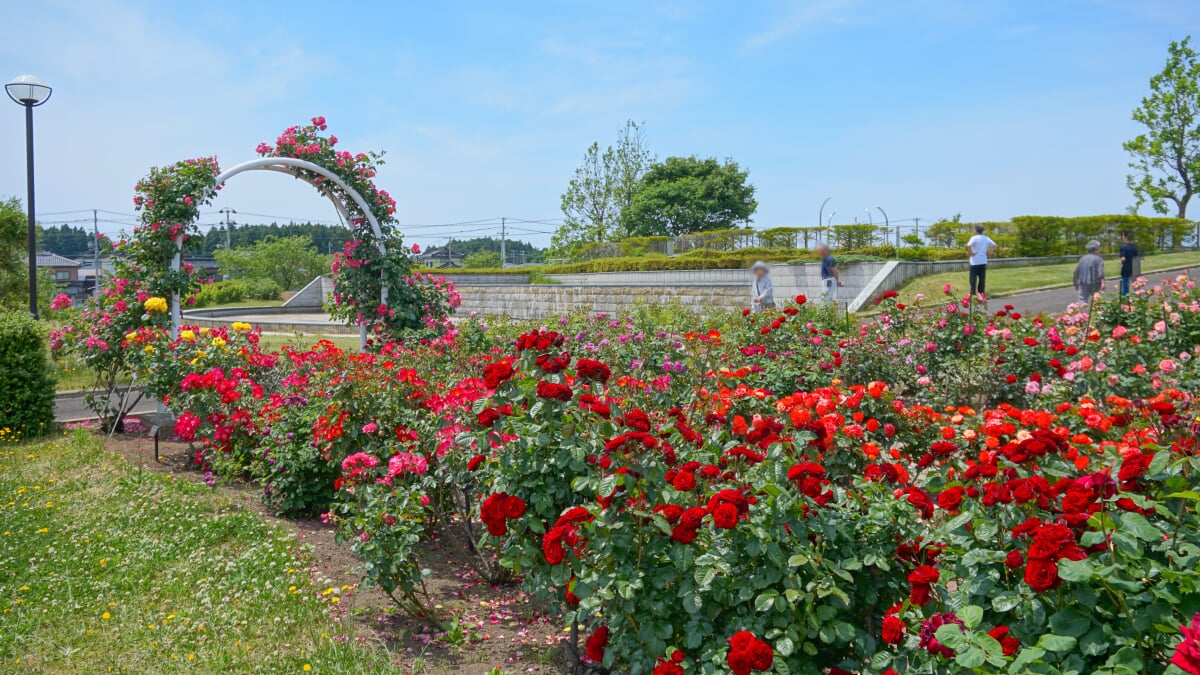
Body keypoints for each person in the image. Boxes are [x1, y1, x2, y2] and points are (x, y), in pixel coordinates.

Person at [966, 225, 997, 298]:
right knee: (982, 279)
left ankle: (972, 292)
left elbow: (968, 246)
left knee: (973, 278)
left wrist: (971, 253)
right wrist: (989, 253)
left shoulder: (974, 238)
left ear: (976, 231)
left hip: (974, 261)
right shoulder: (986, 238)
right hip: (983, 261)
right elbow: (994, 246)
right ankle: (981, 293)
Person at [1073, 240, 1106, 304]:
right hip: (1095, 283)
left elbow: (1076, 271)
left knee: (1082, 300)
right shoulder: (1099, 259)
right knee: (1097, 300)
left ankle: (1081, 313)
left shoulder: (1082, 258)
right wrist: (1103, 283)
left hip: (1083, 282)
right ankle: (1096, 313)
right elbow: (1100, 272)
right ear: (1096, 250)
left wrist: (1075, 282)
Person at [1118, 231, 1139, 296]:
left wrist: (1120, 261)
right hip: (1135, 268)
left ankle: (1125, 301)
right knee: (1136, 285)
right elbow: (1136, 257)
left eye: (1123, 236)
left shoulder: (1123, 247)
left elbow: (1123, 258)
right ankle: (1138, 298)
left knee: (1125, 286)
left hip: (1126, 268)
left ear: (1125, 237)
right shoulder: (1135, 246)